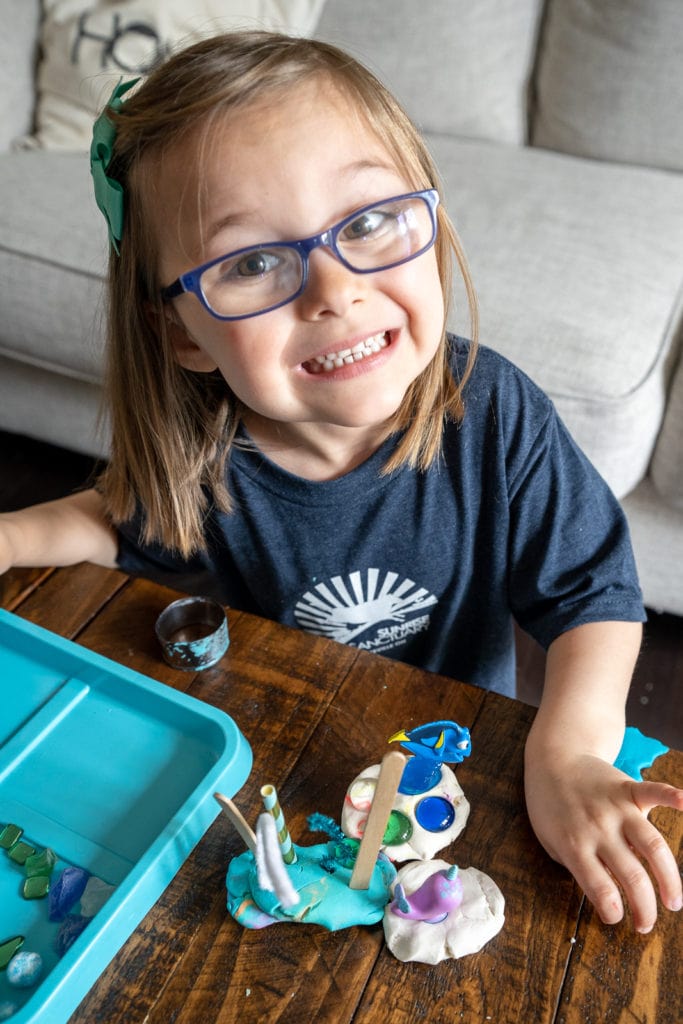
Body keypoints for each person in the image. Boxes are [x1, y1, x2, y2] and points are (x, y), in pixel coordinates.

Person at [0, 31, 681, 933]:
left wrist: (567, 751)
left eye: (365, 222)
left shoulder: (495, 412)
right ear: (185, 337)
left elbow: (592, 593)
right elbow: (111, 520)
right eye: (249, 263)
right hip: (300, 769)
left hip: (466, 765)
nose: (332, 289)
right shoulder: (207, 455)